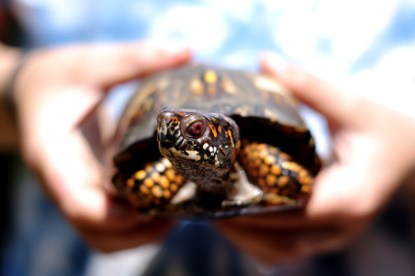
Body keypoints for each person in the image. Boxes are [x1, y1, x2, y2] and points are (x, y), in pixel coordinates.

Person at [1, 1, 415, 275]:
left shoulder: (256, 153)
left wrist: (406, 153)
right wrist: (18, 84)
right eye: (168, 129)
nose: (172, 133)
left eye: (194, 130)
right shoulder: (162, 166)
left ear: (228, 138)